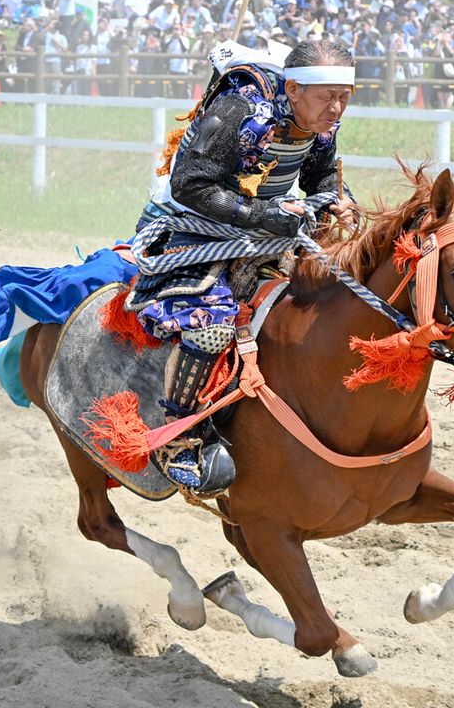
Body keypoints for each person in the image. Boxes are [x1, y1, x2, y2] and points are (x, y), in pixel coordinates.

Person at [129, 38, 359, 492]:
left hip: (267, 231)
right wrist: (267, 216)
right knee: (209, 326)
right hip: (191, 227)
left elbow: (321, 176)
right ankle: (176, 437)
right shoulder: (240, 109)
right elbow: (190, 184)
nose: (336, 109)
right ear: (293, 90)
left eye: (344, 98)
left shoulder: (321, 122)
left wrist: (339, 203)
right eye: (327, 97)